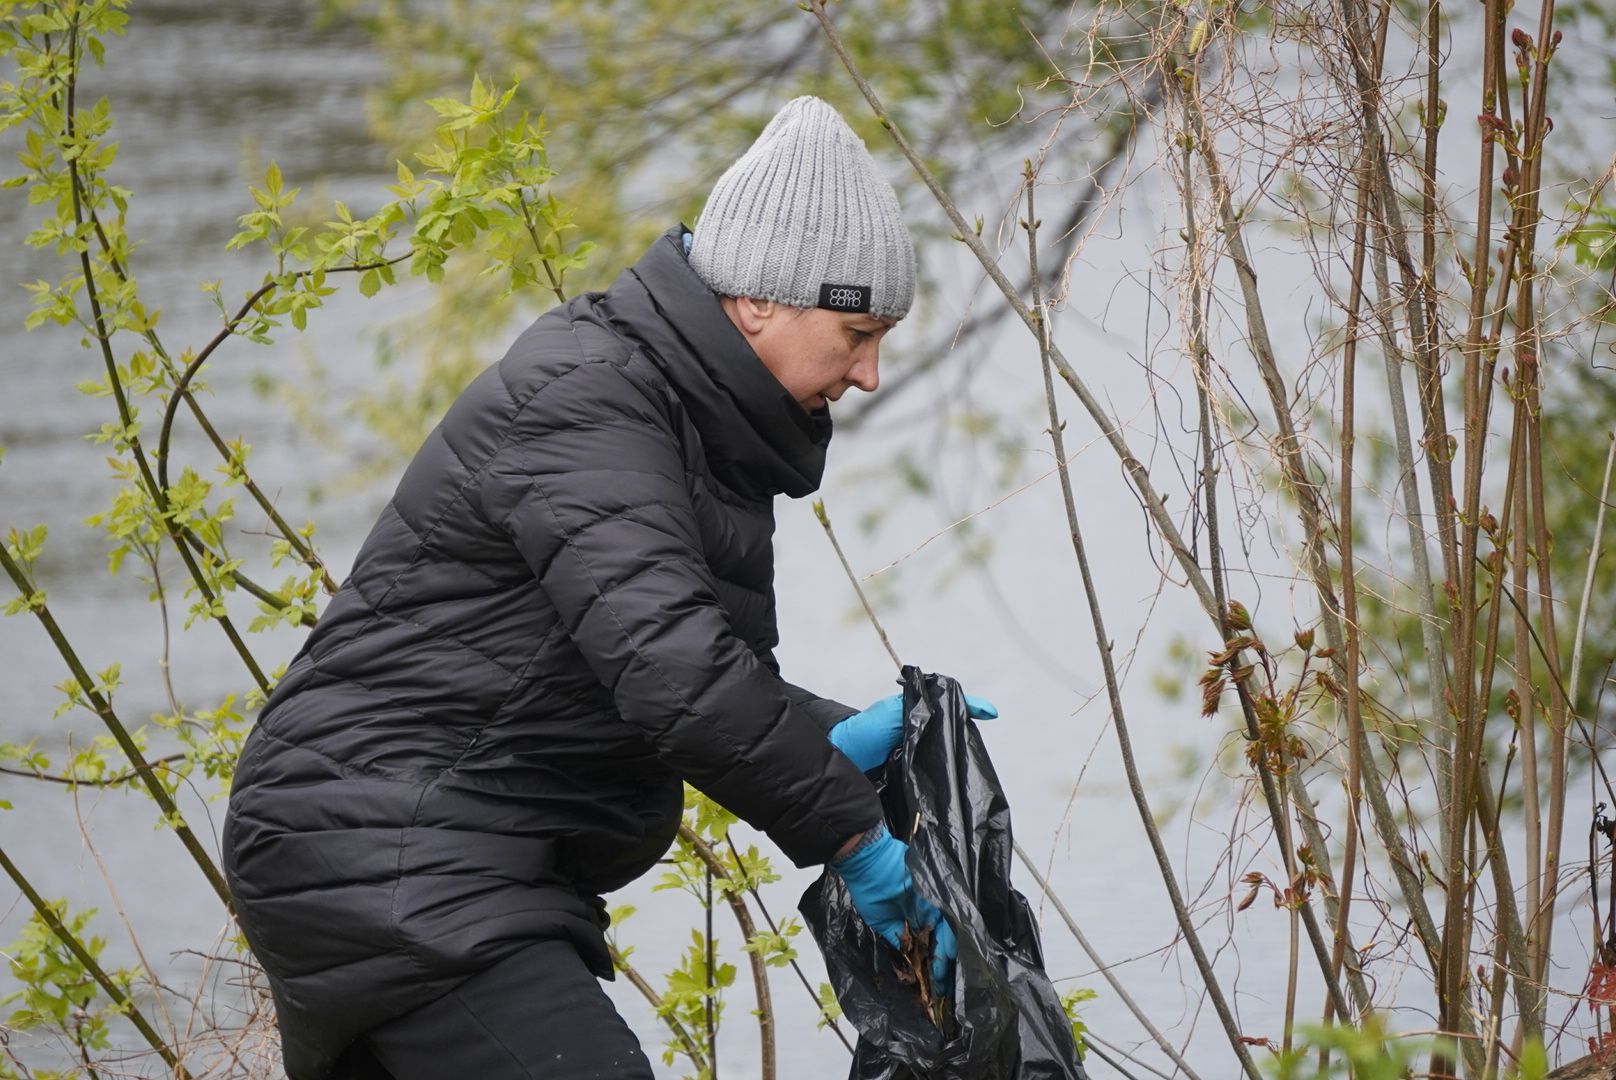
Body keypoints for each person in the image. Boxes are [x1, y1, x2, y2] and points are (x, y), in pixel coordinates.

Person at [222, 95, 996, 1080]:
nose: (871, 372)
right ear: (759, 300)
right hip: (390, 848)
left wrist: (833, 731)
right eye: (854, 332)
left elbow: (643, 657)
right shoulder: (591, 396)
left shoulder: (691, 420)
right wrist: (849, 833)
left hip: (432, 849)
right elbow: (672, 672)